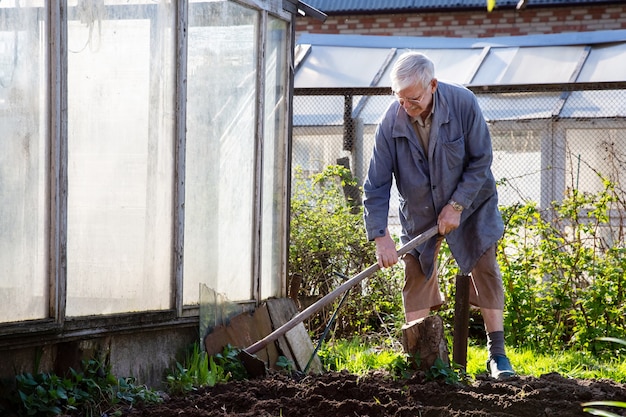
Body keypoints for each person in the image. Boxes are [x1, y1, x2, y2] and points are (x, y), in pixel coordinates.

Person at [362, 51, 515, 379]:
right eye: (400, 99)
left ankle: (497, 355)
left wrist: (457, 205)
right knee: (416, 276)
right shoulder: (391, 122)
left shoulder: (463, 104)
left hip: (472, 206)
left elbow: (481, 160)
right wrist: (380, 236)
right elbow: (375, 185)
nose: (406, 106)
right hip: (419, 212)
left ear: (432, 84)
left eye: (412, 98)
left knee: (485, 267)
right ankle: (421, 361)